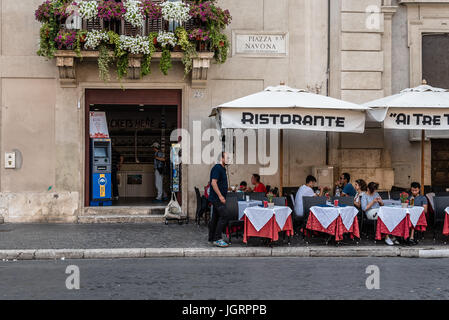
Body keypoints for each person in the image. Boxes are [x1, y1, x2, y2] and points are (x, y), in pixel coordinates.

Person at [208, 152, 230, 248]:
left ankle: (212, 238)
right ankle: (217, 239)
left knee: (216, 217)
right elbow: (213, 183)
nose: (229, 159)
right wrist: (221, 196)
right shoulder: (217, 168)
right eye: (227, 157)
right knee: (224, 215)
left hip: (218, 198)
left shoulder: (222, 169)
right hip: (217, 198)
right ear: (222, 158)